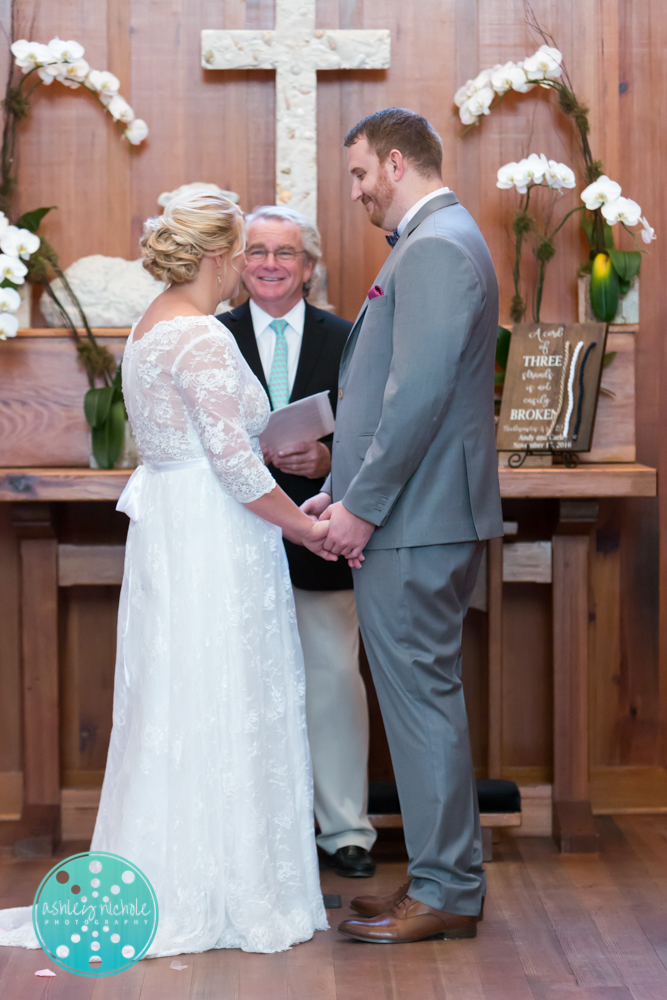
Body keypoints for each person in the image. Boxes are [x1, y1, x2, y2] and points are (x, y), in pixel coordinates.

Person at [0, 190, 337, 957]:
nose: (246, 272)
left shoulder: (152, 324)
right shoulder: (203, 338)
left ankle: (178, 872)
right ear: (217, 255)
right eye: (241, 254)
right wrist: (306, 528)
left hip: (177, 530)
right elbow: (230, 464)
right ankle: (222, 891)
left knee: (182, 695)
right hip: (215, 535)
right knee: (222, 692)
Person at [303, 108, 503, 944]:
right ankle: (435, 877)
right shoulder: (440, 241)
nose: (355, 194)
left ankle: (447, 889)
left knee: (421, 707)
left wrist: (357, 507)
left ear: (393, 163)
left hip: (413, 525)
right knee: (423, 702)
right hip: (413, 517)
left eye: (357, 176)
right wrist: (343, 487)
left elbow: (413, 400)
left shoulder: (434, 247)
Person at [217, 205, 376, 879]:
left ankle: (345, 831)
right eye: (257, 251)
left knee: (335, 681)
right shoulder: (209, 336)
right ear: (237, 262)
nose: (270, 264)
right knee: (237, 685)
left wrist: (327, 461)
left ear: (309, 266)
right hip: (233, 534)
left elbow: (371, 434)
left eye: (285, 253)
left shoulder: (347, 337)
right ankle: (246, 833)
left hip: (320, 536)